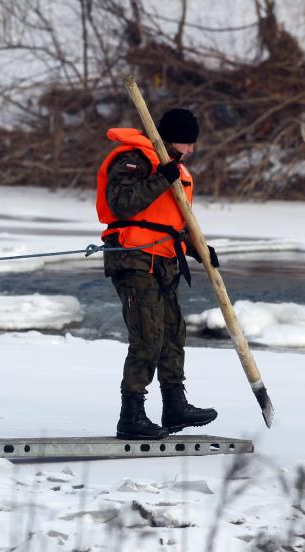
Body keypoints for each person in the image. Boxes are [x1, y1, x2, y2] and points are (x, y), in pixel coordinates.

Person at [95, 108, 219, 440]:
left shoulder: (172, 167)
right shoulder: (135, 160)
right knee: (147, 336)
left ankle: (175, 405)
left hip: (164, 261)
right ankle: (131, 416)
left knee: (172, 332)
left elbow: (169, 222)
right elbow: (122, 203)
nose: (191, 150)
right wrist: (162, 177)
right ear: (169, 138)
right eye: (187, 143)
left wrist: (198, 248)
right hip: (133, 259)